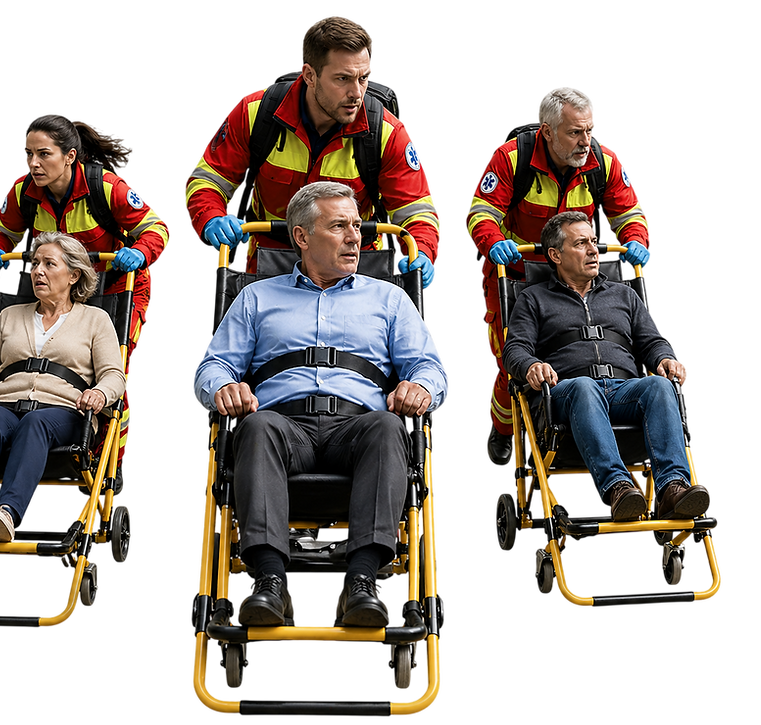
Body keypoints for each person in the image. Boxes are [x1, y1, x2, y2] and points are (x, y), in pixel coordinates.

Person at [190, 181, 451, 627]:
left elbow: (433, 367)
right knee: (256, 426)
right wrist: (221, 388)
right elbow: (208, 366)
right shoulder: (256, 296)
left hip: (359, 426)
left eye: (356, 226)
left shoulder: (388, 297)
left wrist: (422, 387)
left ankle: (364, 580)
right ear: (302, 236)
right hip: (284, 427)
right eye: (339, 226)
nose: (356, 237)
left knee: (390, 427)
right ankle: (269, 581)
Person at [181, 12, 443, 289]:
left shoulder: (387, 133)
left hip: (355, 264)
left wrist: (424, 253)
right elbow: (205, 180)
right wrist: (211, 218)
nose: (357, 93)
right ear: (309, 75)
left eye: (364, 78)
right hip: (270, 262)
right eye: (342, 79)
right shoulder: (254, 114)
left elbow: (418, 211)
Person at [465, 85, 653, 465]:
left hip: (581, 273)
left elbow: (632, 213)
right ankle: (504, 430)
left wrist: (635, 240)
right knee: (510, 360)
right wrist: (493, 242)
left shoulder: (606, 162)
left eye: (591, 132)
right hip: (520, 276)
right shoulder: (510, 157)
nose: (586, 142)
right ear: (547, 131)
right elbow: (479, 212)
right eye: (575, 132)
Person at [0, 110, 171, 464]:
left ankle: (109, 464)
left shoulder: (106, 186)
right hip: (55, 288)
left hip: (117, 287)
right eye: (27, 154)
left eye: (43, 154)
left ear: (70, 156)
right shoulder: (23, 191)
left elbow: (159, 229)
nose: (33, 163)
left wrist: (140, 251)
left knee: (113, 375)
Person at [501, 212, 710, 521]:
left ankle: (673, 490)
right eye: (581, 243)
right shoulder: (534, 298)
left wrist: (666, 359)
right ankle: (618, 489)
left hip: (623, 390)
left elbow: (651, 341)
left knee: (659, 385)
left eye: (594, 242)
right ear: (555, 255)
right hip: (568, 392)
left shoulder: (623, 294)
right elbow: (515, 350)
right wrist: (531, 365)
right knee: (584, 387)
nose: (594, 250)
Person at [0, 232, 126, 543]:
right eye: (34, 264)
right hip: (6, 403)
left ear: (73, 275)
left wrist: (99, 393)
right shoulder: (8, 316)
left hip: (64, 411)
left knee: (35, 422)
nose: (38, 271)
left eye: (49, 264)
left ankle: (5, 513)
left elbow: (114, 374)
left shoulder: (95, 320)